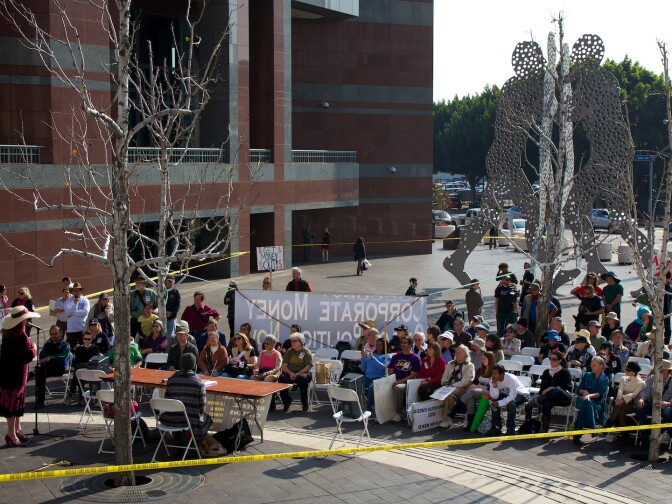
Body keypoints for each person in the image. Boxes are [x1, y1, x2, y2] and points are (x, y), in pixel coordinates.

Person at [0, 306, 38, 446]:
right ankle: (11, 433)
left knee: (16, 404)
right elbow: (24, 357)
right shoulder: (20, 337)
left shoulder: (8, 334)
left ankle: (17, 429)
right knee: (12, 405)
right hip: (14, 375)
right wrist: (33, 350)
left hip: (9, 373)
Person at [163, 353, 212, 449]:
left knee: (177, 413)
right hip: (190, 420)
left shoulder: (171, 380)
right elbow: (202, 407)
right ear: (194, 365)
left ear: (180, 364)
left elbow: (166, 400)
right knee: (207, 419)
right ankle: (191, 445)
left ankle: (176, 442)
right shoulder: (199, 383)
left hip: (170, 418)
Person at [524, 351, 572, 433]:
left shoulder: (565, 372)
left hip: (563, 398)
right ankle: (544, 428)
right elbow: (542, 389)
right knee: (547, 403)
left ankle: (537, 400)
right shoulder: (546, 372)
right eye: (550, 359)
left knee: (557, 389)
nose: (552, 361)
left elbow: (566, 387)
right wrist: (545, 391)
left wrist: (550, 388)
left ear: (560, 360)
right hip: (549, 398)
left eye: (554, 359)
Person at [604, 361, 645, 442]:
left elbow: (634, 394)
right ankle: (624, 434)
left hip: (632, 404)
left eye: (628, 370)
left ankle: (609, 423)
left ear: (633, 372)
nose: (626, 371)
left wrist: (621, 399)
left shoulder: (641, 383)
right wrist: (619, 398)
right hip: (620, 403)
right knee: (622, 412)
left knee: (619, 405)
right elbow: (620, 389)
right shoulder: (623, 378)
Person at [634, 359, 672, 446]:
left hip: (666, 406)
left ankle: (663, 433)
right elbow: (646, 392)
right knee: (639, 407)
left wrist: (668, 403)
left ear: (667, 370)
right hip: (652, 404)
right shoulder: (651, 378)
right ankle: (644, 431)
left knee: (667, 411)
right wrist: (642, 399)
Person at [573, 356, 609, 445]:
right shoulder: (587, 375)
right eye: (591, 365)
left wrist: (589, 396)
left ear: (601, 366)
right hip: (583, 399)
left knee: (586, 405)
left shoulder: (605, 379)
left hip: (597, 403)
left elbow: (600, 393)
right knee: (586, 402)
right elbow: (579, 389)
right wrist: (584, 391)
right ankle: (593, 427)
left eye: (594, 365)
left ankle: (576, 436)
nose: (592, 367)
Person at [439, 344, 475, 428]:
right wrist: (444, 383)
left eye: (459, 352)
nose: (456, 354)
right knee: (435, 393)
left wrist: (452, 386)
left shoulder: (470, 366)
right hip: (448, 387)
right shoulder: (450, 363)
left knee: (449, 395)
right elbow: (444, 377)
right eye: (456, 352)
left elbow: (466, 381)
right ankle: (435, 417)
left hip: (462, 389)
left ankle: (447, 419)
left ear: (465, 355)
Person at [387, 335, 422, 422]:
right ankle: (383, 413)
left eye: (405, 343)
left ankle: (398, 413)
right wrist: (391, 373)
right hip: (396, 381)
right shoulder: (396, 357)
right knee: (376, 387)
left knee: (397, 388)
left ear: (410, 345)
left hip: (409, 383)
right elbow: (390, 372)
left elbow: (413, 375)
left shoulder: (415, 358)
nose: (402, 344)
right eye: (401, 343)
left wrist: (399, 382)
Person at [488, 364, 530, 435]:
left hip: (520, 394)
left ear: (502, 374)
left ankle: (511, 429)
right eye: (492, 373)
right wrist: (494, 386)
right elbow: (494, 396)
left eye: (495, 374)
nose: (493, 376)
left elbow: (511, 397)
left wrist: (499, 403)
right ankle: (496, 427)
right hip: (506, 393)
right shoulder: (492, 380)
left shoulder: (511, 379)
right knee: (493, 402)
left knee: (511, 404)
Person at [458, 351, 495, 430]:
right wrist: (471, 385)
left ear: (490, 359)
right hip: (478, 391)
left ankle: (457, 406)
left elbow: (492, 387)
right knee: (470, 399)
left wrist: (478, 386)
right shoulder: (480, 370)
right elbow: (474, 382)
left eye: (484, 359)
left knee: (472, 391)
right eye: (482, 359)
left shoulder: (495, 371)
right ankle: (471, 423)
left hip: (490, 392)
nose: (483, 360)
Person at [35, 325, 71, 407]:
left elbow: (63, 357)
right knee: (39, 372)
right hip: (47, 368)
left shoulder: (66, 345)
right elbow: (41, 357)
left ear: (60, 333)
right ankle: (40, 400)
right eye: (52, 334)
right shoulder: (47, 345)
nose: (54, 335)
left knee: (52, 361)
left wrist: (50, 357)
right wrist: (45, 359)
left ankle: (40, 400)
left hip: (59, 368)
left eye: (56, 333)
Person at [279, 332, 313, 412]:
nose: (292, 343)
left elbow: (308, 366)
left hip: (303, 373)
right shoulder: (289, 351)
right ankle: (286, 401)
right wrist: (290, 373)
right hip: (290, 372)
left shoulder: (306, 351)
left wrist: (298, 373)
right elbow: (284, 366)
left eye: (295, 341)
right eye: (291, 341)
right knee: (282, 378)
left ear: (301, 342)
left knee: (302, 379)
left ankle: (304, 402)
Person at [64, 330, 100, 405]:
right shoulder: (79, 349)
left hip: (91, 370)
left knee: (78, 370)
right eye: (85, 339)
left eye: (89, 339)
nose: (87, 341)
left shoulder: (95, 348)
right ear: (83, 339)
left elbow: (94, 361)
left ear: (91, 339)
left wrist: (84, 364)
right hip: (81, 370)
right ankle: (80, 397)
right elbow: (77, 360)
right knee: (78, 372)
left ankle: (72, 393)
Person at [361, 338, 388, 411]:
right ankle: (358, 406)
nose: (378, 347)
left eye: (380, 345)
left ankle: (368, 409)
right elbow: (363, 369)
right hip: (367, 377)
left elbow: (383, 368)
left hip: (378, 378)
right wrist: (363, 358)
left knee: (371, 388)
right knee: (356, 385)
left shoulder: (387, 356)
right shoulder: (371, 354)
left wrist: (373, 358)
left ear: (384, 347)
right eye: (377, 345)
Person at [63, 282, 89, 348]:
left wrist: (73, 313)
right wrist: (74, 305)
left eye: (78, 290)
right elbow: (67, 313)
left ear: (81, 291)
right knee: (71, 349)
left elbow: (85, 312)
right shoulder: (68, 301)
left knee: (83, 348)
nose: (76, 292)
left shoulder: (85, 300)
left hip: (82, 329)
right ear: (72, 292)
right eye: (75, 290)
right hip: (71, 330)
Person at [164, 275, 181, 341]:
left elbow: (178, 305)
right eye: (168, 281)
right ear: (165, 281)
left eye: (171, 281)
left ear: (174, 282)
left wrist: (170, 313)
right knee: (162, 336)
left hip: (172, 317)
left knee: (170, 336)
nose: (169, 282)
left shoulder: (176, 292)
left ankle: (169, 350)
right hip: (162, 317)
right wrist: (164, 312)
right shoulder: (161, 290)